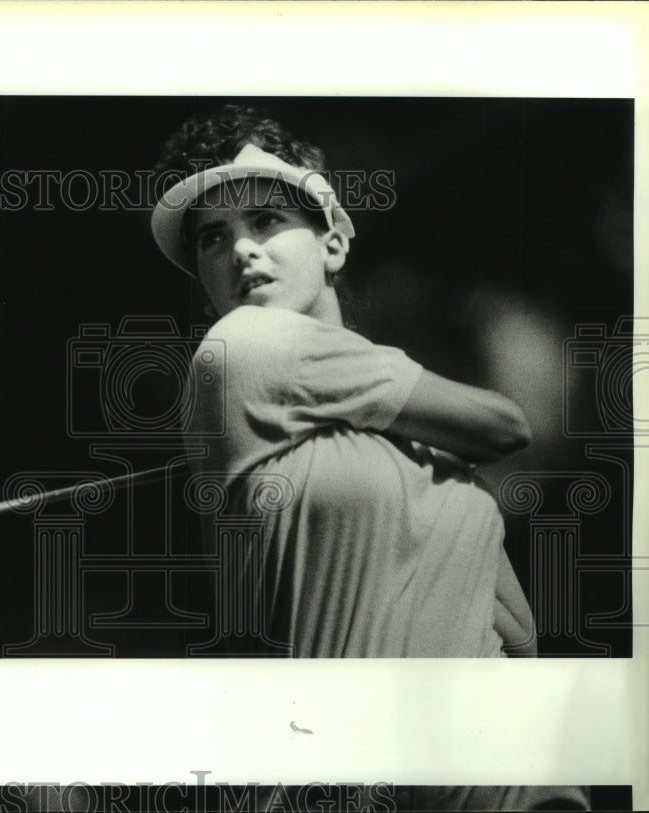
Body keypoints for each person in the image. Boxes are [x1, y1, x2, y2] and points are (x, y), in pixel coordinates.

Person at [150, 105, 591, 811]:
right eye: (213, 238)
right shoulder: (241, 349)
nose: (240, 250)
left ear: (332, 243)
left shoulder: (414, 449)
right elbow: (504, 423)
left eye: (265, 221)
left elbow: (513, 630)